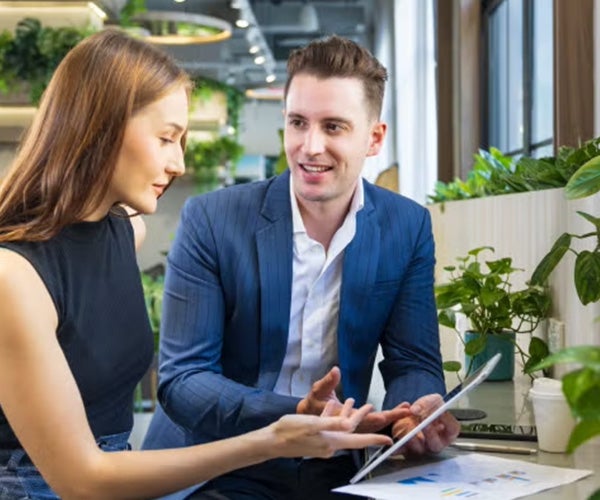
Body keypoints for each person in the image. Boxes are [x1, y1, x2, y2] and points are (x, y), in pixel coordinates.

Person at [0, 30, 394, 500]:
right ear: (99, 127)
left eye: (182, 140)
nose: (179, 163)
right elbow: (82, 479)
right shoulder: (13, 277)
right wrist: (268, 442)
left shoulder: (125, 232)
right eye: (166, 138)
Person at [143, 35, 460, 499]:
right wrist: (294, 412)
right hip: (220, 460)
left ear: (374, 138)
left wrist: (415, 410)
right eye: (298, 123)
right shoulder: (212, 219)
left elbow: (413, 360)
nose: (310, 147)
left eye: (333, 127)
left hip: (336, 462)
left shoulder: (406, 226)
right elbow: (183, 380)